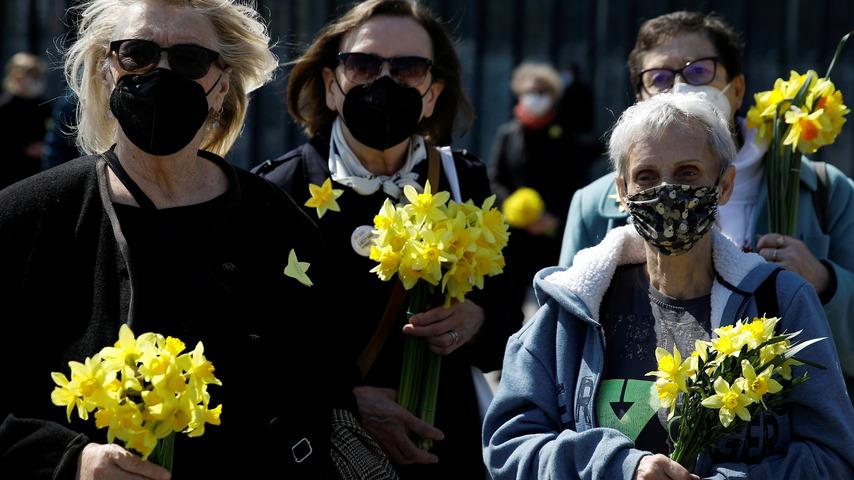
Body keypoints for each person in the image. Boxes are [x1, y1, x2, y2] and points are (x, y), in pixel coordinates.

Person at [0, 0, 343, 478]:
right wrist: (70, 459)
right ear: (106, 72)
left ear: (221, 85)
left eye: (189, 59)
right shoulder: (28, 216)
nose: (160, 73)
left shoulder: (276, 222)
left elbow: (320, 380)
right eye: (136, 54)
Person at [483, 92, 854, 480]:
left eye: (687, 173)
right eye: (646, 176)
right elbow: (508, 446)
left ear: (725, 184)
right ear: (622, 191)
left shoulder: (780, 301)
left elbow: (835, 457)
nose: (667, 192)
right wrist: (621, 468)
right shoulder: (573, 306)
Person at [253, 1, 522, 477]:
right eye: (362, 64)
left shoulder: (463, 182)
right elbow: (254, 345)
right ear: (331, 87)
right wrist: (346, 402)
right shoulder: (277, 192)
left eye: (408, 68)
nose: (383, 81)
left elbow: (509, 321)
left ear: (432, 93)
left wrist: (475, 320)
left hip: (445, 447)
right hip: (326, 454)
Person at [558, 11, 854, 384]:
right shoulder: (595, 204)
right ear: (639, 97)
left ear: (736, 89)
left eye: (699, 71)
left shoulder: (823, 192)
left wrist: (824, 283)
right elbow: (568, 342)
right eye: (659, 78)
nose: (680, 88)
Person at [489, 62, 590, 307]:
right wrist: (512, 207)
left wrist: (553, 216)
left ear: (553, 96)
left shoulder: (566, 137)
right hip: (513, 235)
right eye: (529, 91)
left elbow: (577, 183)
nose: (534, 97)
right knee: (508, 303)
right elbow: (496, 178)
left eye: (541, 92)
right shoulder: (508, 134)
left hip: (552, 235)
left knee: (550, 302)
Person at [0, 52, 52, 189]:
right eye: (30, 75)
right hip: (10, 177)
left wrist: (46, 148)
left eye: (37, 75)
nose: (35, 80)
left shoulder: (44, 106)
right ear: (16, 77)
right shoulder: (5, 107)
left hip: (39, 174)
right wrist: (23, 150)